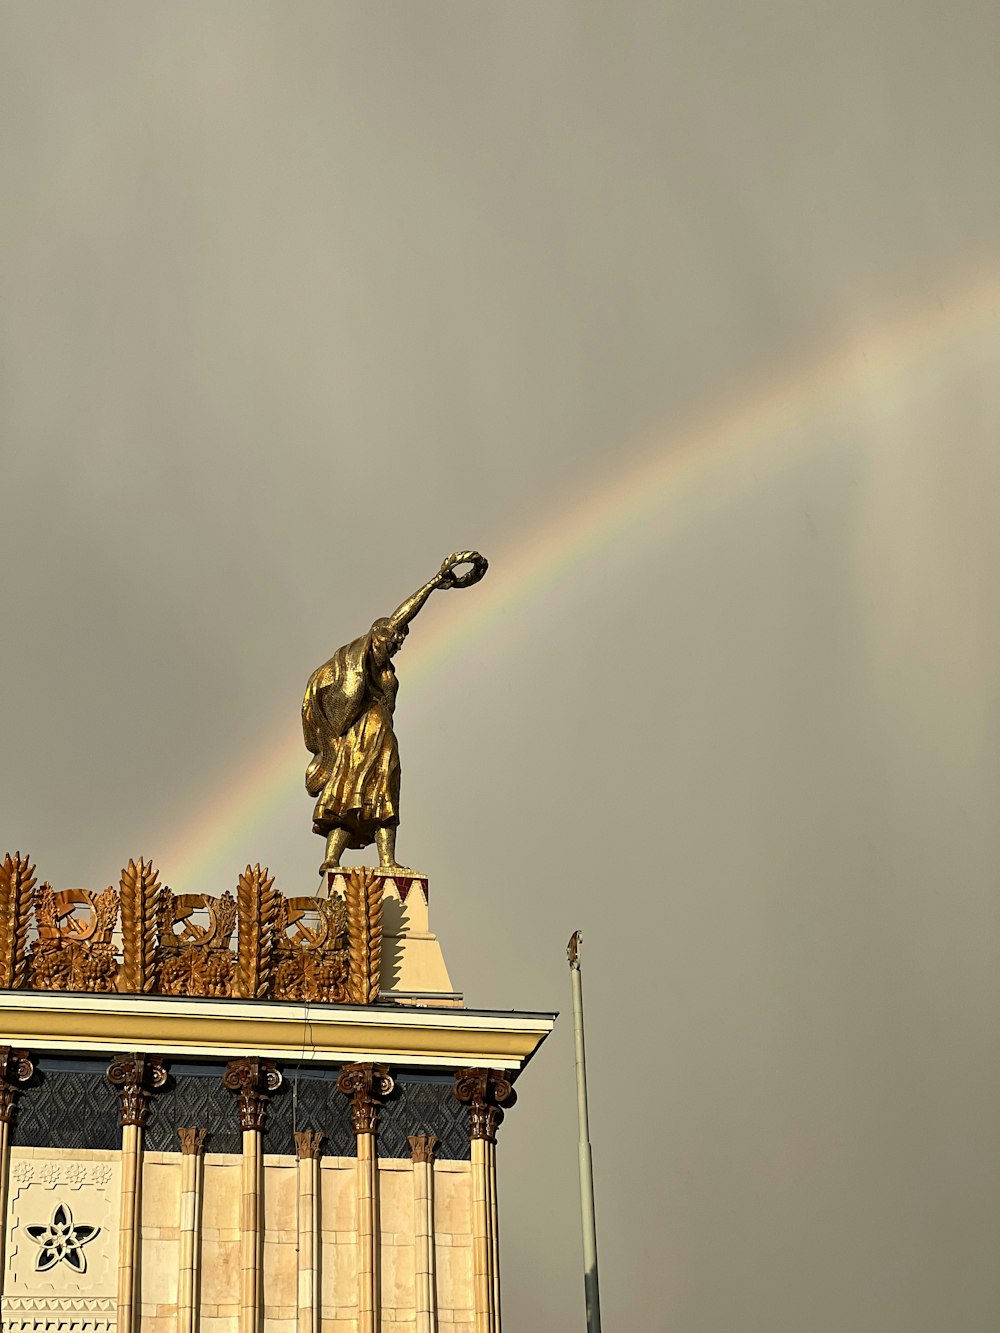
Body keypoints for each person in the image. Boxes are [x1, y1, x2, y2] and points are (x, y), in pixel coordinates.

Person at [302, 550, 487, 872]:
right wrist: (433, 583)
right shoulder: (359, 660)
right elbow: (400, 616)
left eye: (402, 639)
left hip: (383, 741)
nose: (400, 642)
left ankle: (387, 860)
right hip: (355, 740)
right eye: (395, 638)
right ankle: (332, 859)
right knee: (346, 798)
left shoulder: (388, 671)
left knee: (385, 797)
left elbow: (400, 623)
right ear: (377, 637)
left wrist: (436, 584)